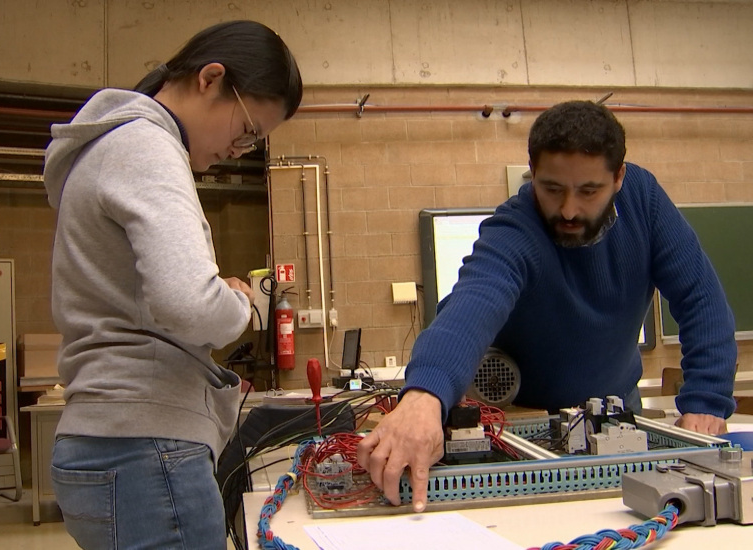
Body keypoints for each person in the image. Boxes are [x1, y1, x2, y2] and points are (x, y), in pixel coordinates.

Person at [358, 100, 737, 513]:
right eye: (552, 189)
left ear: (619, 178)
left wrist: (705, 403)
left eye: (589, 191)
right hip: (521, 423)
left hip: (616, 414)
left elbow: (702, 300)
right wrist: (423, 397)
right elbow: (471, 306)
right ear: (532, 173)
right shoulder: (517, 227)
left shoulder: (645, 203)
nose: (569, 210)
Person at [43, 20, 302, 549]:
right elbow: (187, 302)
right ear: (210, 78)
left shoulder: (114, 144)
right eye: (248, 130)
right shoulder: (148, 146)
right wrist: (241, 302)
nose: (241, 149)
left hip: (112, 443)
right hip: (145, 448)